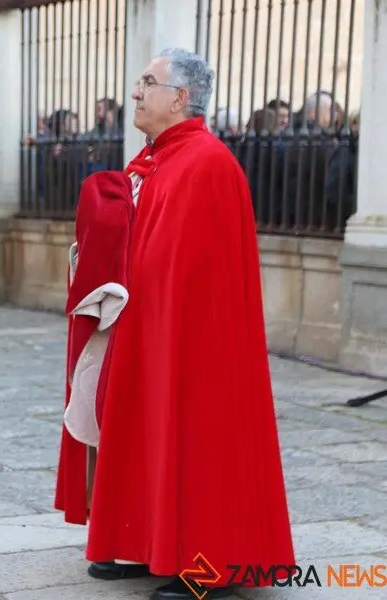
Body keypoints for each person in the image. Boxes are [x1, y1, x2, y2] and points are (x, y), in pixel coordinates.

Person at [77, 48, 296, 600]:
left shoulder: (206, 163)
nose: (135, 92)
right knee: (144, 433)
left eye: (147, 82)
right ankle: (153, 545)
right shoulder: (159, 158)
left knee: (197, 441)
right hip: (146, 329)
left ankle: (211, 565)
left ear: (179, 98)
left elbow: (197, 274)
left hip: (196, 344)